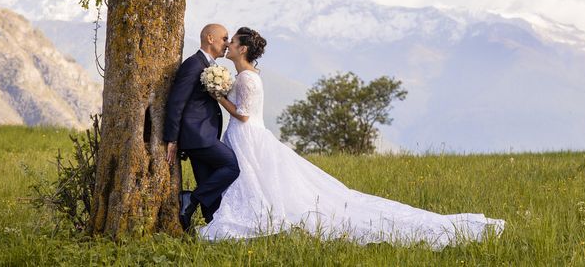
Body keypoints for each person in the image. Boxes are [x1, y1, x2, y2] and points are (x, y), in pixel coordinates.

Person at [202, 26, 505, 249]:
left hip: (248, 134)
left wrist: (217, 96)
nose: (227, 45)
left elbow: (242, 114)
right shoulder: (247, 75)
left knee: (256, 181)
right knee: (253, 180)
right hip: (246, 135)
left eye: (233, 42)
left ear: (243, 49)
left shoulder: (246, 77)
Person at [163, 23, 240, 231]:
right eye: (224, 38)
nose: (227, 43)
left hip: (204, 135)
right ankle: (191, 198)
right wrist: (172, 139)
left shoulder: (210, 66)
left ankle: (210, 230)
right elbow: (176, 102)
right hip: (196, 136)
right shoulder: (193, 64)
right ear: (210, 38)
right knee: (232, 166)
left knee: (209, 188)